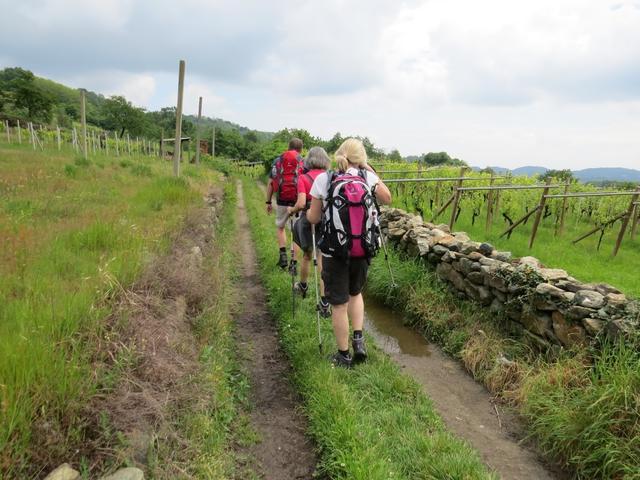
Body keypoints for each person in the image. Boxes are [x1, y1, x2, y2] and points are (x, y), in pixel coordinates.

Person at [307, 138, 391, 368]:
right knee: (356, 293)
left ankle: (344, 355)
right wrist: (369, 169)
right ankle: (359, 339)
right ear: (361, 158)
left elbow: (313, 218)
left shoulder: (325, 179)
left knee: (339, 304)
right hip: (362, 249)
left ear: (339, 154)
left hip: (335, 251)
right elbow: (387, 197)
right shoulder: (367, 177)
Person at [287, 146, 331, 317]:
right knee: (322, 258)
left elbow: (300, 203)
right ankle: (325, 301)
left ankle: (303, 285)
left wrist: (291, 210)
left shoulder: (303, 178)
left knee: (307, 255)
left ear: (309, 160)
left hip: (309, 219)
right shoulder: (330, 177)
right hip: (326, 220)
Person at [266, 138, 304, 269]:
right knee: (296, 232)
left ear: (288, 147)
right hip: (298, 200)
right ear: (301, 149)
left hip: (282, 199)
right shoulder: (303, 161)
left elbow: (271, 183)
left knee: (281, 227)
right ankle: (293, 263)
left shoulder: (278, 160)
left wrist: (268, 201)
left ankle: (283, 256)